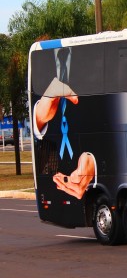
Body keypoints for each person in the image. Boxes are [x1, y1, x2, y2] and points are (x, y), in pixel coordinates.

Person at [32, 46, 97, 200]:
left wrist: (92, 161)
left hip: (83, 184)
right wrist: (38, 118)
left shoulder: (93, 57)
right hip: (52, 181)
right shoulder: (38, 59)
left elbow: (109, 123)